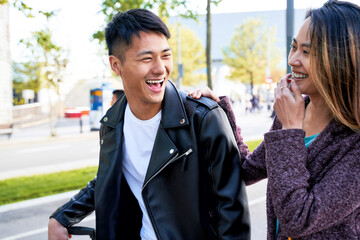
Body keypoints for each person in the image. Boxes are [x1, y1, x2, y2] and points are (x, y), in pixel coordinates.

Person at [48, 8, 250, 240]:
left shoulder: (203, 117)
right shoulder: (112, 124)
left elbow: (233, 212)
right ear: (116, 65)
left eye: (166, 55)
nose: (160, 68)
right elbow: (109, 179)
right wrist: (63, 216)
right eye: (147, 58)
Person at [189, 0, 360, 239]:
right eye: (294, 47)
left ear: (340, 61)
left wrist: (290, 130)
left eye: (307, 52)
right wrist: (220, 111)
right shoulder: (292, 113)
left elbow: (298, 219)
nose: (292, 60)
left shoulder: (353, 143)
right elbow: (245, 171)